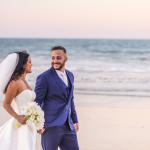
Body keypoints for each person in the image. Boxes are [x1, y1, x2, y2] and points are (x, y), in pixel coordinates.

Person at [35, 46, 79, 150]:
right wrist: (39, 123)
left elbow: (70, 99)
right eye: (53, 58)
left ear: (65, 59)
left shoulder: (70, 75)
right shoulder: (44, 77)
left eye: (58, 58)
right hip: (50, 126)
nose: (55, 61)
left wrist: (74, 119)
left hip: (68, 126)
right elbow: (37, 102)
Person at [0, 51, 41, 150]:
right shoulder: (15, 82)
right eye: (30, 62)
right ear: (22, 64)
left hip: (30, 124)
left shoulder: (24, 82)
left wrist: (37, 122)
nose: (32, 64)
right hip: (20, 124)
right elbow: (6, 104)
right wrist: (17, 117)